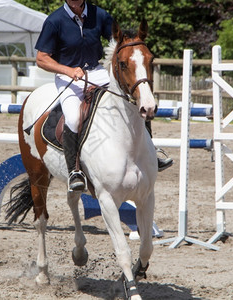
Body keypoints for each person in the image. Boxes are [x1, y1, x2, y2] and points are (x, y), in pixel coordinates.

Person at [35, 0, 172, 192]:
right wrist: (67, 70)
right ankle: (74, 171)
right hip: (68, 76)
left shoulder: (99, 15)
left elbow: (120, 41)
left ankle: (151, 154)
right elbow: (41, 58)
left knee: (134, 101)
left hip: (98, 72)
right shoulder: (54, 21)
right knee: (74, 118)